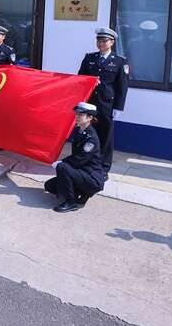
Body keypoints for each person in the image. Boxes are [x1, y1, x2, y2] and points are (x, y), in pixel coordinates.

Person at [78, 27, 129, 178]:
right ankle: (86, 162)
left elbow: (122, 86)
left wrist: (119, 107)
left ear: (111, 42)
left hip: (107, 105)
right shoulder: (89, 58)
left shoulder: (120, 61)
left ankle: (103, 168)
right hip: (90, 104)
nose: (100, 43)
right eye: (98, 40)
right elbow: (80, 78)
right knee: (88, 134)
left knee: (105, 137)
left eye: (104, 40)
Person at [44, 102, 104, 213]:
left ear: (90, 117)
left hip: (91, 177)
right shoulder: (79, 130)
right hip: (81, 172)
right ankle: (80, 192)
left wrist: (61, 163)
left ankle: (71, 202)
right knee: (49, 186)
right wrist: (62, 162)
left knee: (62, 167)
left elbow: (79, 159)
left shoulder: (91, 138)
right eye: (76, 114)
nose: (77, 116)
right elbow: (76, 156)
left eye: (81, 115)